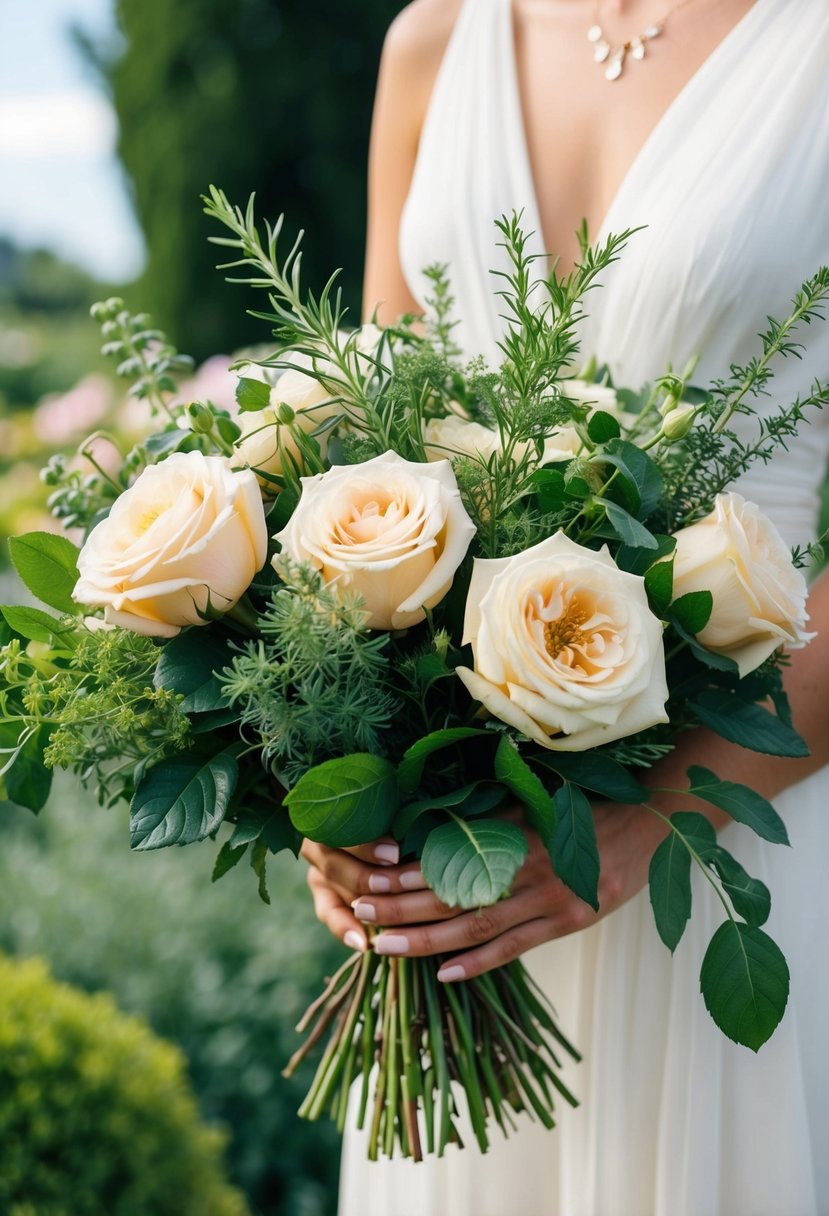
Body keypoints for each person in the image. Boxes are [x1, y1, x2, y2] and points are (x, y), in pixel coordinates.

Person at [301, 1, 829, 1212]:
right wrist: (332, 792)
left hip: (731, 833)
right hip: (462, 883)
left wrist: (649, 816)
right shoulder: (433, 39)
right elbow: (370, 456)